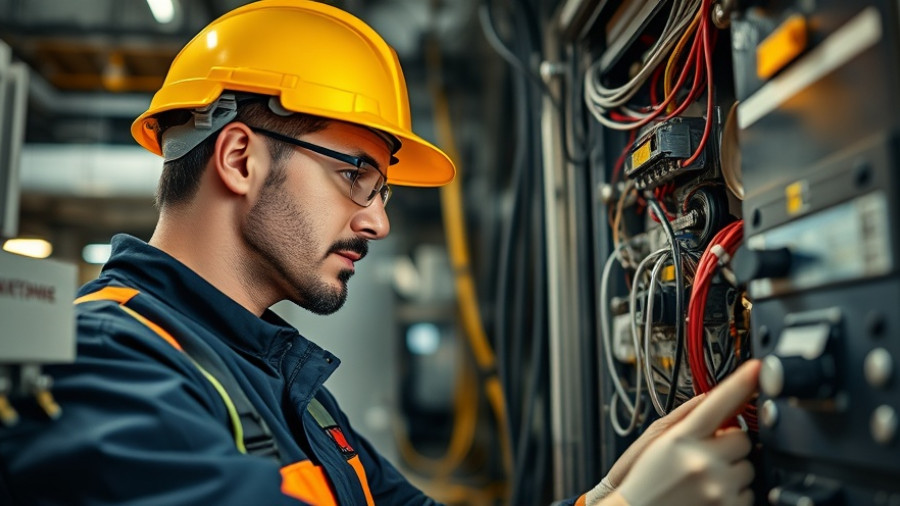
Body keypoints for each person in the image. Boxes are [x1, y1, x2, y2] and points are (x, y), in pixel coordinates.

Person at [0, 1, 759, 505]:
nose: (379, 223)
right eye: (355, 175)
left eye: (382, 188)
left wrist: (606, 494)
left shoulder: (282, 378)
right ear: (238, 158)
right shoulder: (98, 364)